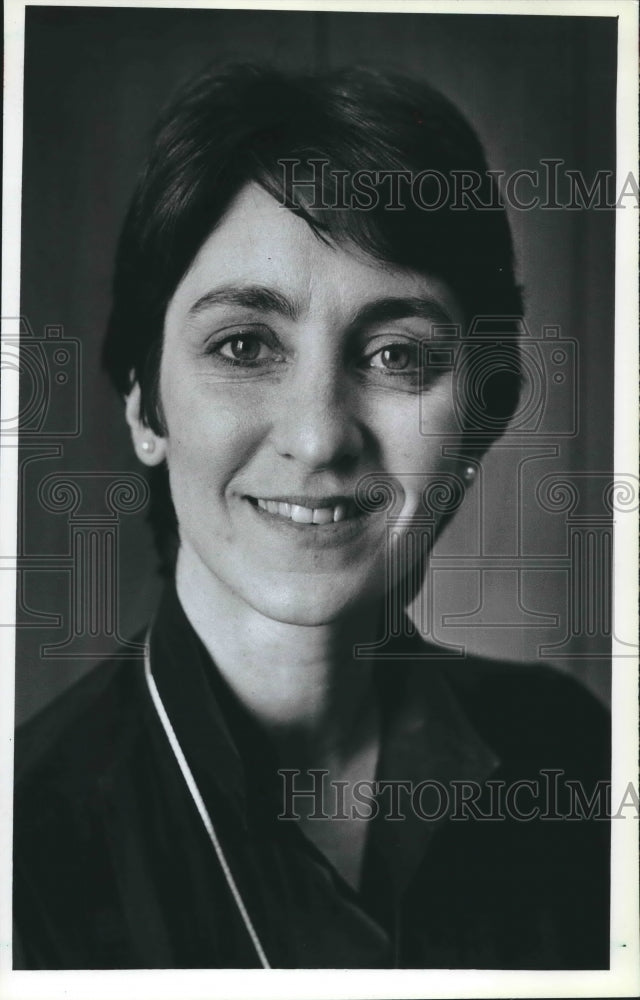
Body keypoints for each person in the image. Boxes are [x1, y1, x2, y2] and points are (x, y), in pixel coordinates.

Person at [13, 64, 610, 970]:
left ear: (482, 419)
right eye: (245, 345)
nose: (319, 435)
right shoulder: (23, 840)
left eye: (397, 354)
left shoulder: (571, 753)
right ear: (144, 407)